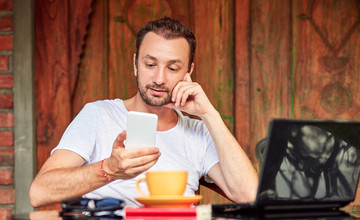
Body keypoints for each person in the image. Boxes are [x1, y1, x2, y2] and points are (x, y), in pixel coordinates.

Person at [29, 17, 258, 208]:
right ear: (136, 64)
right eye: (150, 65)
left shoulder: (199, 131)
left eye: (172, 68)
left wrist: (209, 114)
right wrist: (108, 169)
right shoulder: (98, 115)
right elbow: (39, 192)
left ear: (189, 72)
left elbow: (249, 196)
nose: (159, 78)